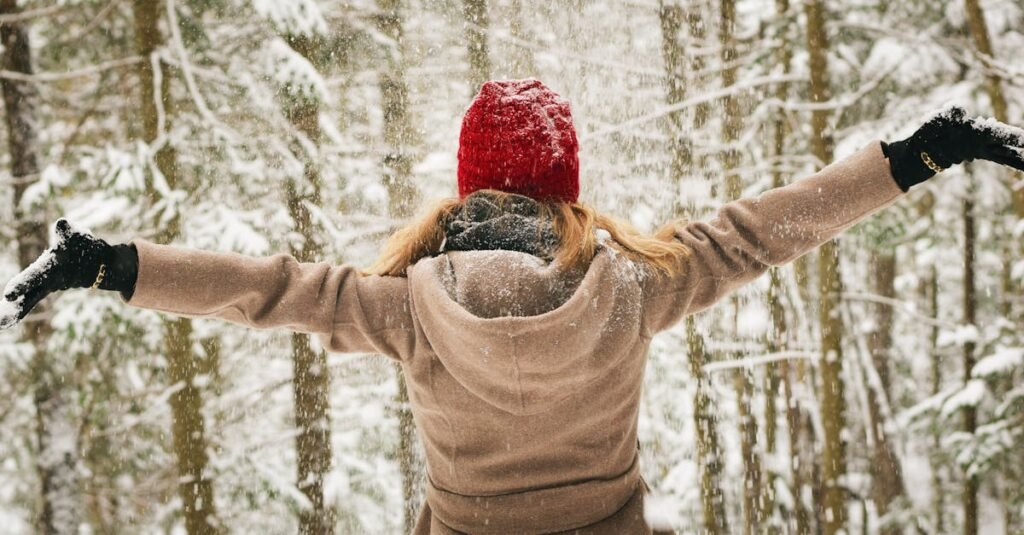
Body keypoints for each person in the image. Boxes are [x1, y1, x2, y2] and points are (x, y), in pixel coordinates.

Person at [2, 78, 1023, 534]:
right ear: (565, 184)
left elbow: (264, 290)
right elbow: (759, 231)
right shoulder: (633, 284)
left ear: (465, 187)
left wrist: (111, 263)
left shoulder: (405, 307)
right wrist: (913, 156)